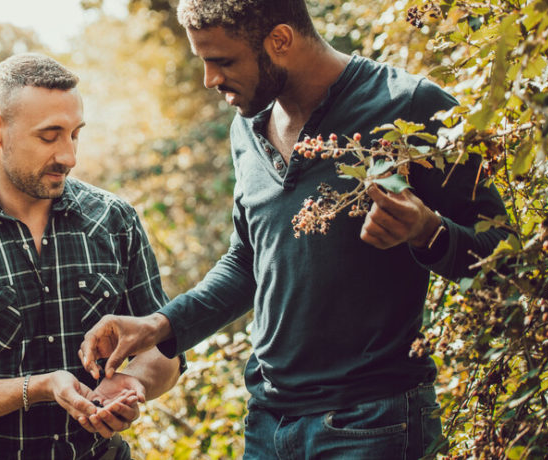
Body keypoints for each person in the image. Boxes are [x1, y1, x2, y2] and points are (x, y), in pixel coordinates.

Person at [78, 1, 511, 458]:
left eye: (222, 61)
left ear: (280, 40)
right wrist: (157, 325)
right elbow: (248, 262)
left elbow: (504, 256)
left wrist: (428, 230)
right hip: (268, 424)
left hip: (373, 424)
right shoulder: (246, 129)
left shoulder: (411, 105)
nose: (210, 79)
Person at [0, 53, 183, 459]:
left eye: (75, 134)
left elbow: (164, 348)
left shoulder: (115, 221)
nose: (69, 156)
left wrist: (134, 385)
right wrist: (38, 388)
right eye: (49, 136)